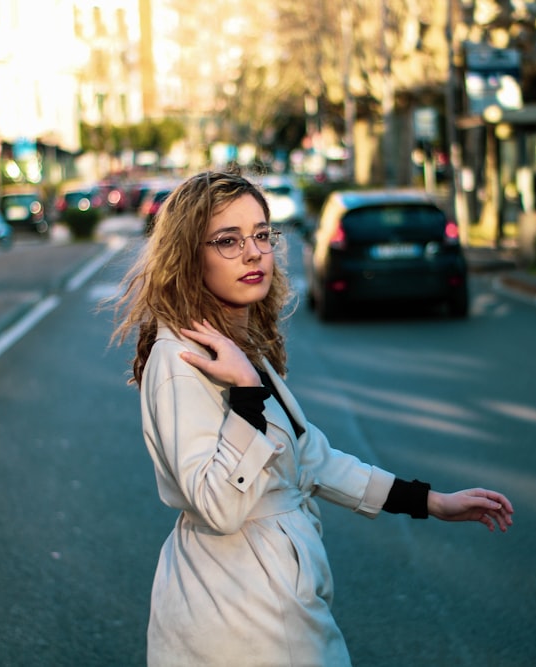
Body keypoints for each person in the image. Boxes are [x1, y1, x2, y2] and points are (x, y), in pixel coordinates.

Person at [111, 170, 514, 666]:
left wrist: (431, 502)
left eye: (261, 234)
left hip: (269, 599)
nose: (254, 252)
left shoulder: (232, 342)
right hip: (241, 615)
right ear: (189, 255)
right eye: (228, 241)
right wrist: (246, 395)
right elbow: (218, 507)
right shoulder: (182, 360)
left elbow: (312, 459)